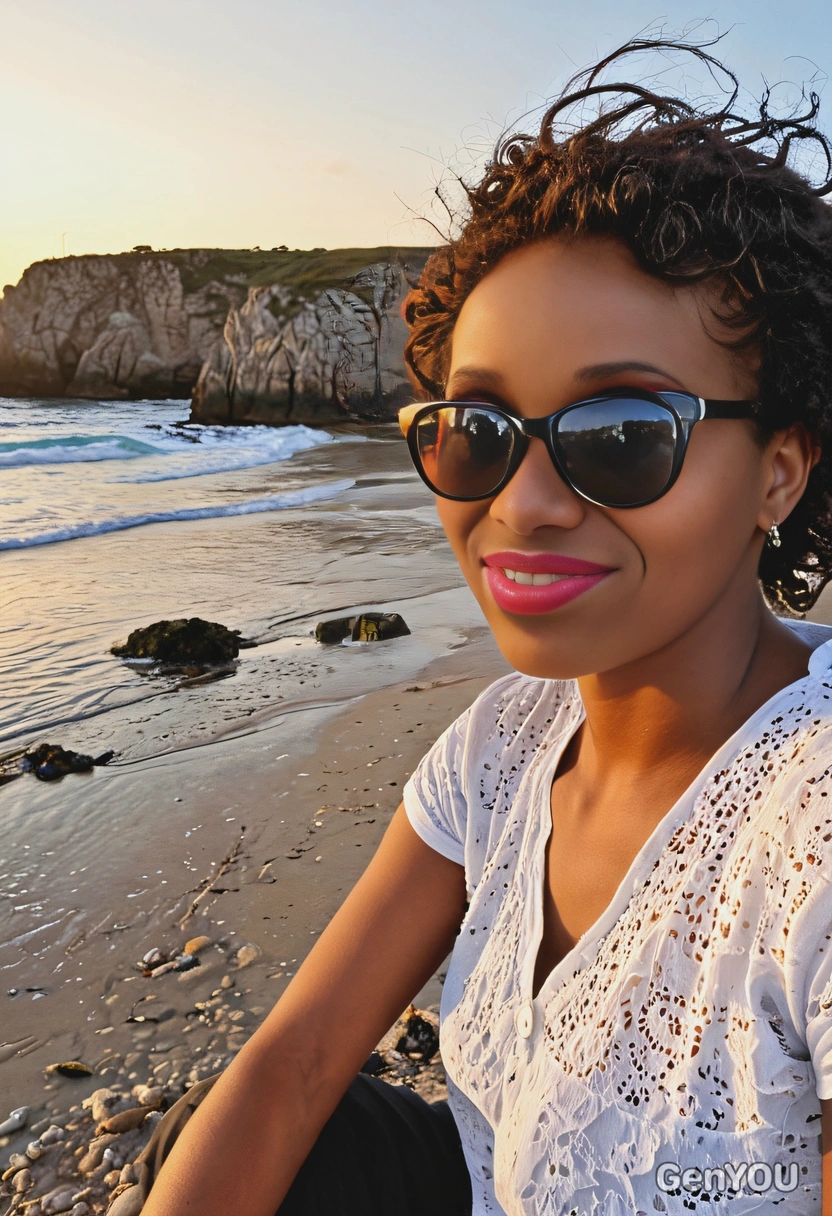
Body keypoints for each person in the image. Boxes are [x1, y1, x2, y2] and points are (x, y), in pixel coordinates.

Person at [137, 36, 832, 1216]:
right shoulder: (504, 742)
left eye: (619, 433)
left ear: (777, 475)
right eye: (478, 430)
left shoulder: (807, 816)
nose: (522, 503)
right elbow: (297, 1062)